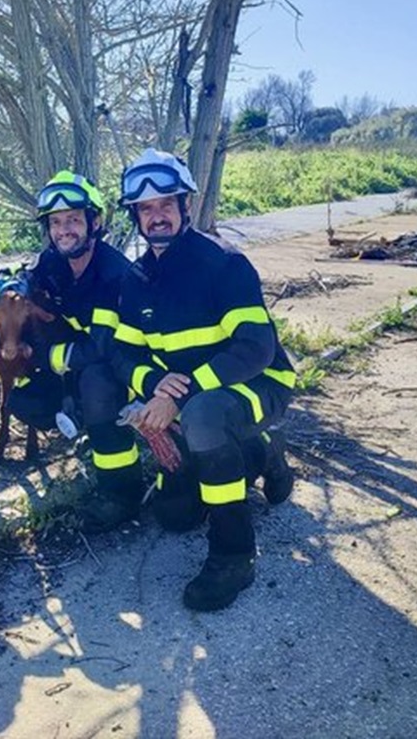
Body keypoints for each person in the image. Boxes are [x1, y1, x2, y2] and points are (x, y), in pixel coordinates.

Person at [112, 148, 296, 611]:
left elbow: (256, 348)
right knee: (175, 517)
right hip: (192, 397)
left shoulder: (223, 264)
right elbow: (122, 352)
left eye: (166, 205)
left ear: (185, 207)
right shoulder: (135, 279)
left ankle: (234, 555)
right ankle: (260, 454)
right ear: (136, 215)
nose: (157, 217)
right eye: (147, 209)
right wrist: (156, 383)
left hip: (259, 385)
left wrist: (182, 393)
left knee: (204, 417)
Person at [2, 170, 143, 531]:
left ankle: (122, 492)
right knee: (25, 401)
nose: (65, 229)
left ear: (94, 222)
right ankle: (88, 428)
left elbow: (101, 348)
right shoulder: (52, 262)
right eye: (56, 222)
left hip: (125, 369)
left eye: (74, 220)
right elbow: (30, 288)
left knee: (96, 385)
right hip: (76, 364)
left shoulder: (114, 273)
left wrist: (46, 358)